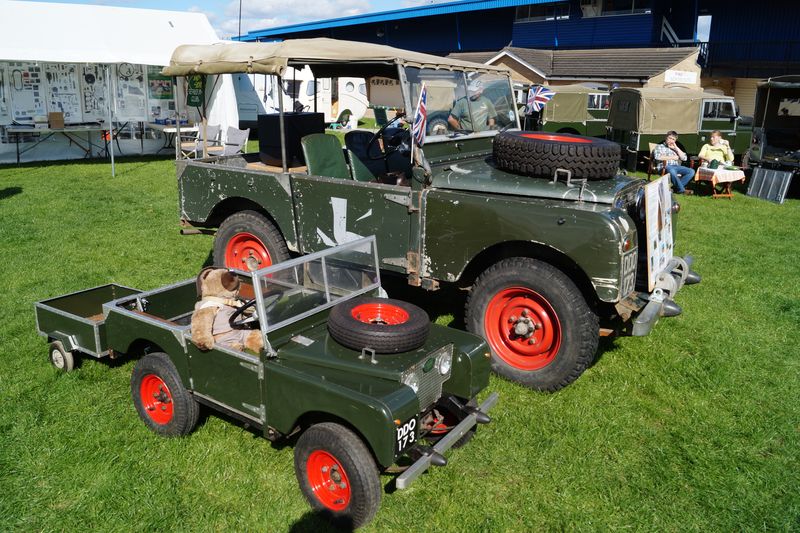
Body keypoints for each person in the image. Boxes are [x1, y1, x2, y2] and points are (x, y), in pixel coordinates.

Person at [652, 131, 696, 195]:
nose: (671, 141)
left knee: (691, 171)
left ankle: (675, 188)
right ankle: (681, 190)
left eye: (673, 139)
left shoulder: (674, 148)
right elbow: (657, 157)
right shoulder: (659, 146)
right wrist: (672, 157)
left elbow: (684, 158)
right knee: (672, 170)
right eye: (670, 138)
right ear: (666, 137)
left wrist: (676, 147)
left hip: (676, 166)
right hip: (664, 166)